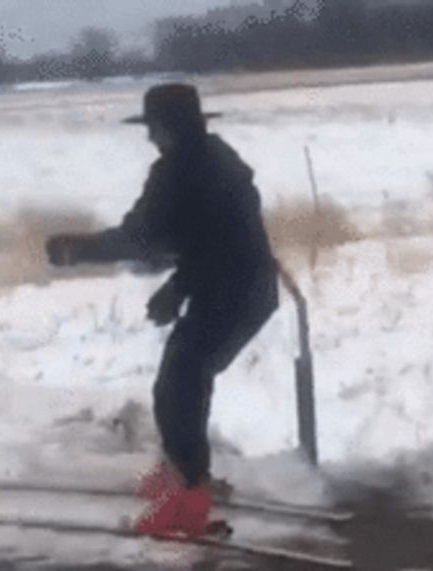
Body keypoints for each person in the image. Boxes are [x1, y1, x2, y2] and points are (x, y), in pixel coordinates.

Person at [45, 83, 279, 537]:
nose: (151, 138)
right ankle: (183, 474)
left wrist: (80, 250)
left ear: (170, 129)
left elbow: (146, 237)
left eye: (154, 128)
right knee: (177, 378)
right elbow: (205, 239)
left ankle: (191, 497)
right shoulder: (208, 161)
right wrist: (177, 287)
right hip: (236, 288)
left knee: (183, 380)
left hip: (235, 291)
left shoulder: (183, 172)